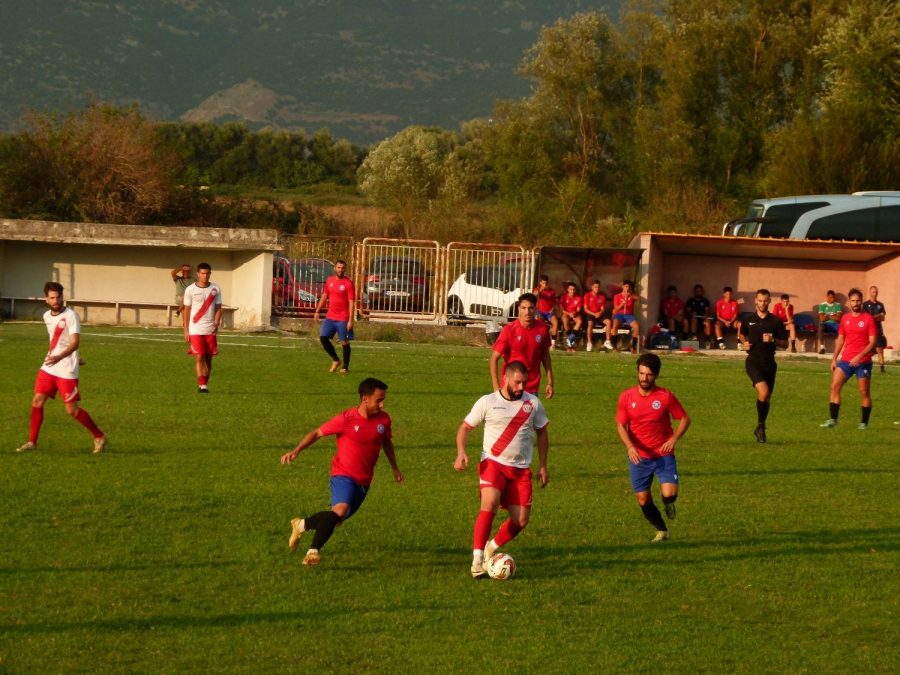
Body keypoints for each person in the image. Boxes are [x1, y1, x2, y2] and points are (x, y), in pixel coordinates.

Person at [281, 377, 403, 566]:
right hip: (343, 475)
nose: (383, 404)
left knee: (336, 520)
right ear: (365, 398)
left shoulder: (384, 420)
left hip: (364, 480)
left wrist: (395, 467)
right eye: (379, 399)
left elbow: (386, 442)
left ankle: (300, 525)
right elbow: (317, 433)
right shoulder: (346, 419)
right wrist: (296, 450)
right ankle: (312, 552)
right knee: (340, 510)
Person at [455, 360, 549, 577]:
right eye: (517, 383)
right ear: (505, 378)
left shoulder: (532, 403)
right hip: (493, 463)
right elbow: (465, 428)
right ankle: (477, 561)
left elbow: (542, 431)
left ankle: (491, 547)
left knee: (521, 521)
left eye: (524, 383)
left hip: (520, 470)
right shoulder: (488, 402)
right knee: (490, 503)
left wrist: (543, 465)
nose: (521, 388)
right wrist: (461, 452)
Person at [16, 282, 107, 454]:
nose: (56, 300)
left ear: (62, 297)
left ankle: (99, 436)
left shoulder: (71, 316)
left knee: (71, 409)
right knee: (37, 401)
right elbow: (57, 340)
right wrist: (62, 355)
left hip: (66, 368)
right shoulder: (46, 317)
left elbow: (74, 342)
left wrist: (66, 356)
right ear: (46, 299)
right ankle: (32, 442)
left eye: (58, 297)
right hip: (50, 365)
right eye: (52, 298)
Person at [615, 353, 690, 543]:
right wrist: (630, 447)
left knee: (669, 494)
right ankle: (661, 530)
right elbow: (621, 426)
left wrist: (673, 440)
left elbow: (684, 419)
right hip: (639, 456)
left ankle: (668, 504)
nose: (643, 378)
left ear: (655, 375)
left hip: (663, 455)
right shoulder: (626, 397)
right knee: (642, 499)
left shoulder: (665, 397)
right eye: (641, 373)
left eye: (648, 375)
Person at [820, 288, 877, 430]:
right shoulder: (845, 318)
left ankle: (863, 423)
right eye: (853, 300)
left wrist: (860, 356)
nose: (855, 303)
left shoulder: (868, 319)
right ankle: (833, 420)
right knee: (834, 386)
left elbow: (873, 342)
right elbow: (840, 339)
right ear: (849, 302)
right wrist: (834, 358)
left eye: (858, 300)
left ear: (861, 301)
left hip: (863, 362)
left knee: (864, 392)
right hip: (845, 361)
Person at [737, 289, 788, 443]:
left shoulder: (776, 321)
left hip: (769, 364)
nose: (762, 304)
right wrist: (743, 342)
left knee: (766, 398)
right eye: (760, 300)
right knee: (764, 393)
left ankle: (760, 427)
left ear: (769, 301)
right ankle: (761, 426)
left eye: (765, 301)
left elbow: (785, 344)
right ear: (755, 301)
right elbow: (741, 334)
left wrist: (774, 340)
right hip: (753, 361)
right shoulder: (748, 319)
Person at [490, 293, 554, 399]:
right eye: (523, 308)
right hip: (510, 386)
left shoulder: (542, 329)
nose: (527, 312)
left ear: (535, 309)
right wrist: (496, 386)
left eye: (530, 308)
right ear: (518, 309)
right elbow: (494, 358)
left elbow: (545, 356)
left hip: (532, 388)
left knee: (530, 416)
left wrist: (550, 382)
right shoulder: (509, 330)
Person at [182, 262, 222, 393]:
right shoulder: (190, 290)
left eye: (207, 273)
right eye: (203, 273)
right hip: (195, 329)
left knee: (209, 358)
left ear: (210, 274)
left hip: (210, 329)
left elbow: (218, 308)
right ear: (198, 274)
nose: (205, 276)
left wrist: (216, 322)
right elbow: (186, 310)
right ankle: (202, 386)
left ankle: (205, 383)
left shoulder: (215, 289)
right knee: (199, 356)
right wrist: (186, 329)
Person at [315, 259, 356, 373]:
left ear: (345, 269)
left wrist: (350, 320)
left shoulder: (348, 283)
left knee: (344, 342)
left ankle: (345, 367)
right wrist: (318, 310)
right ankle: (336, 360)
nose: (341, 270)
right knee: (323, 338)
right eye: (339, 268)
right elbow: (324, 295)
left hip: (343, 318)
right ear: (335, 268)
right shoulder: (329, 280)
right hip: (330, 316)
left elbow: (352, 302)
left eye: (343, 268)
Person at [862, 285, 887, 373]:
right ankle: (865, 366)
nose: (874, 294)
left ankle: (882, 369)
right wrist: (877, 316)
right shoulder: (865, 305)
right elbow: (867, 318)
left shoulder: (881, 305)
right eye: (873, 292)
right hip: (868, 330)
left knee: (880, 349)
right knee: (868, 350)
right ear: (870, 293)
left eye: (876, 292)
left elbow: (883, 318)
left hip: (878, 329)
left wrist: (875, 317)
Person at [583, 280, 613, 352]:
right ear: (592, 287)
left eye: (598, 287)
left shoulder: (602, 297)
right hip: (590, 314)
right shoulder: (587, 296)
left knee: (608, 322)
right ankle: (589, 343)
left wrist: (599, 313)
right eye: (595, 287)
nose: (597, 288)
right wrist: (594, 314)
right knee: (590, 324)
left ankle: (607, 341)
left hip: (599, 314)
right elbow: (586, 309)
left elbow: (602, 309)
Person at [611, 280, 640, 353]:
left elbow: (638, 298)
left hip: (628, 315)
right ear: (623, 287)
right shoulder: (617, 296)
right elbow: (615, 309)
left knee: (636, 327)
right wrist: (622, 304)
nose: (627, 288)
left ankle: (633, 347)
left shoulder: (631, 296)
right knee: (615, 325)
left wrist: (629, 295)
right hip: (619, 314)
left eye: (629, 286)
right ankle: (614, 347)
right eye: (626, 286)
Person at [533, 275, 559, 347]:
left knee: (555, 322)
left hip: (549, 312)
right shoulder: (537, 289)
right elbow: (535, 295)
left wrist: (552, 309)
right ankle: (538, 340)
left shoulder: (552, 291)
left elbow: (554, 302)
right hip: (539, 311)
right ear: (540, 283)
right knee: (539, 322)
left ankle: (553, 343)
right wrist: (542, 289)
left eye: (546, 283)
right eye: (543, 283)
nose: (545, 284)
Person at [559, 282, 584, 352]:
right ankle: (570, 345)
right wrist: (568, 313)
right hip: (566, 313)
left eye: (573, 289)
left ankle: (569, 339)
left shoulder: (578, 298)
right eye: (571, 289)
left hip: (574, 313)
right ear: (568, 290)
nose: (572, 291)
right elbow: (562, 309)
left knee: (580, 321)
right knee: (564, 320)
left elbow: (578, 309)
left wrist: (574, 313)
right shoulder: (563, 297)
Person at [817, 289, 842, 354]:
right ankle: (822, 347)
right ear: (827, 297)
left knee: (843, 328)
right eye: (831, 297)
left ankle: (843, 349)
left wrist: (827, 316)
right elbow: (822, 319)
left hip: (835, 325)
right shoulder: (822, 305)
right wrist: (833, 316)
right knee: (821, 324)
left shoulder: (838, 305)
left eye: (833, 297)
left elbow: (839, 318)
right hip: (826, 325)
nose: (832, 299)